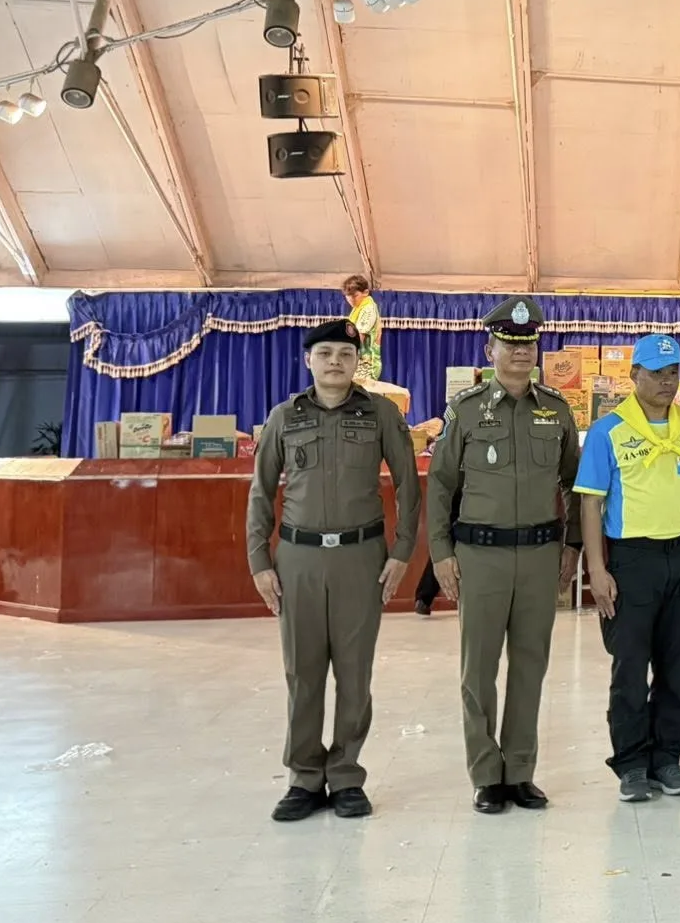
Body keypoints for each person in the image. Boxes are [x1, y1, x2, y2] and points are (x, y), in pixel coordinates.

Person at [246, 317, 421, 822]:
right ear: (309, 361)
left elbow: (408, 485)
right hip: (297, 558)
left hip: (360, 558)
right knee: (302, 673)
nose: (335, 362)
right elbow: (261, 492)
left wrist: (401, 551)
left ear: (357, 362)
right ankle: (304, 778)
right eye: (325, 354)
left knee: (354, 673)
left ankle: (345, 775)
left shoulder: (381, 414)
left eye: (345, 355)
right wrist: (259, 560)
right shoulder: (284, 417)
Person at [425, 296, 581, 815]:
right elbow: (441, 485)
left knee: (531, 665)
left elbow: (574, 483)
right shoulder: (467, 410)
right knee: (478, 670)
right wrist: (441, 552)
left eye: (529, 343)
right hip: (481, 556)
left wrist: (572, 545)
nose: (521, 352)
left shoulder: (556, 410)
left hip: (539, 556)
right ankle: (485, 774)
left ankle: (519, 771)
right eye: (510, 343)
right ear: (489, 350)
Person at [575, 334, 680, 803]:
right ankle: (632, 764)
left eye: (673, 372)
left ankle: (667, 759)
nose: (666, 382)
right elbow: (591, 504)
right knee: (631, 669)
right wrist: (597, 569)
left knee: (677, 669)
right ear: (634, 375)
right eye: (656, 373)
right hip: (631, 560)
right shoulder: (609, 431)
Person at [341, 274, 383, 385]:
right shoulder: (358, 309)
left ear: (365, 292)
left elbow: (358, 337)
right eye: (348, 296)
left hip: (366, 364)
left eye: (355, 296)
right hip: (358, 362)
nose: (351, 300)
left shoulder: (368, 309)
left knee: (358, 393)